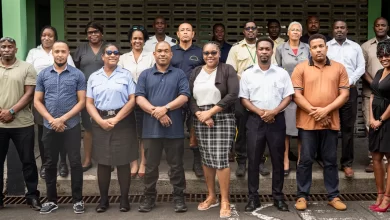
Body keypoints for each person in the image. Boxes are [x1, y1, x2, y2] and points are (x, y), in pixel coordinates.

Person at [292, 34, 349, 211]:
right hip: (308, 123)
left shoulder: (339, 68)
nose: (318, 49)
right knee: (305, 160)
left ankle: (333, 196)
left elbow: (345, 94)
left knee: (330, 160)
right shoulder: (300, 68)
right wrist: (315, 112)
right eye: (314, 47)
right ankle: (302, 196)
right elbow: (296, 95)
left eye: (321, 46)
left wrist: (326, 111)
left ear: (326, 47)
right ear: (310, 50)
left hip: (330, 123)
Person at [240, 38, 293, 212]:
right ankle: (253, 198)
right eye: (261, 49)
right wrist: (260, 112)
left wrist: (273, 112)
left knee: (278, 160)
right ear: (257, 51)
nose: (264, 52)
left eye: (267, 49)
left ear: (272, 51)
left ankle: (278, 197)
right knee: (253, 160)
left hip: (276, 120)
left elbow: (288, 97)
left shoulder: (281, 73)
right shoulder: (248, 74)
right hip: (255, 121)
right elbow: (244, 99)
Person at [136, 41, 190, 213]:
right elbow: (139, 98)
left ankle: (179, 198)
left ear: (171, 54)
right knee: (150, 167)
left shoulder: (179, 74)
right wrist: (157, 112)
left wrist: (165, 108)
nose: (163, 54)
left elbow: (184, 96)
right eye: (159, 51)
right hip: (151, 130)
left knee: (176, 166)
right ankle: (149, 197)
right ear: (154, 54)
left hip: (174, 130)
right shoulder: (145, 74)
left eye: (166, 51)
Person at [34, 41, 85, 214]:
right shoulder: (43, 75)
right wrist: (51, 119)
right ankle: (51, 200)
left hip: (71, 125)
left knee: (75, 162)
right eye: (57, 51)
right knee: (49, 163)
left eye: (63, 51)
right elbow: (37, 101)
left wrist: (62, 119)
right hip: (49, 126)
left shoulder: (77, 75)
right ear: (52, 54)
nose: (60, 54)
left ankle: (78, 200)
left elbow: (82, 102)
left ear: (68, 53)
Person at [190, 42, 238, 218]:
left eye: (213, 52)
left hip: (222, 116)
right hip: (201, 117)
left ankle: (225, 199)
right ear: (202, 55)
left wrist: (210, 112)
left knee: (221, 158)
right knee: (206, 157)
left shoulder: (227, 69)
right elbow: (189, 97)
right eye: (206, 53)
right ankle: (211, 196)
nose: (210, 56)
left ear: (219, 53)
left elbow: (233, 94)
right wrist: (199, 114)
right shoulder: (196, 72)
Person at [87, 44, 138, 213]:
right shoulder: (94, 77)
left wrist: (116, 118)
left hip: (122, 120)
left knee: (123, 161)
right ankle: (103, 199)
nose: (113, 55)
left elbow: (132, 99)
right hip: (100, 120)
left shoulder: (126, 75)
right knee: (103, 161)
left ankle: (124, 199)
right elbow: (89, 103)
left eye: (116, 53)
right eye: (109, 52)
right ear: (103, 56)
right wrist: (100, 121)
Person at [26, 25, 74, 179]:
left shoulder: (61, 50)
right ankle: (46, 164)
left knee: (63, 131)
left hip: (62, 96)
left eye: (50, 35)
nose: (46, 38)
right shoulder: (34, 53)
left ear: (55, 37)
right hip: (41, 97)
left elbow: (71, 70)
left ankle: (62, 164)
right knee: (44, 133)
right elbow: (28, 72)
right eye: (44, 35)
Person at [0, 37, 41, 211]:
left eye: (10, 46)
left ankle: (32, 196)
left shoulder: (26, 67)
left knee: (28, 162)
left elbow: (29, 93)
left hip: (22, 124)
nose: (6, 49)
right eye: (3, 47)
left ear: (16, 49)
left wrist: (11, 111)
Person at [226, 21, 268, 177]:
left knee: (261, 130)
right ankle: (242, 163)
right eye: (247, 28)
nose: (250, 31)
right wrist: (246, 81)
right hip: (242, 94)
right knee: (242, 130)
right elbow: (231, 72)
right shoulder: (236, 48)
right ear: (244, 31)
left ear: (257, 31)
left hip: (261, 95)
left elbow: (273, 67)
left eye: (253, 28)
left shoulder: (265, 47)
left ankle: (260, 162)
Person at [326, 20, 365, 178]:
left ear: (347, 30)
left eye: (342, 27)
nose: (339, 30)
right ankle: (330, 162)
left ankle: (347, 163)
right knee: (330, 128)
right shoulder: (326, 46)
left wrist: (347, 83)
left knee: (348, 129)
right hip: (330, 92)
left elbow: (361, 67)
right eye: (336, 28)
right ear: (333, 30)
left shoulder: (355, 47)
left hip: (350, 91)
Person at [118, 25, 155, 178]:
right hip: (127, 100)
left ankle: (143, 162)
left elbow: (153, 78)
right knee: (129, 132)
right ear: (130, 40)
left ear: (144, 40)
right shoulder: (122, 58)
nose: (137, 41)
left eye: (140, 38)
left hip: (145, 99)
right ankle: (133, 161)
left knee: (143, 133)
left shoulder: (151, 57)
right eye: (135, 38)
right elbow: (119, 78)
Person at [275, 21, 310, 176]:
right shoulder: (280, 48)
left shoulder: (307, 48)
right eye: (292, 30)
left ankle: (302, 160)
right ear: (288, 33)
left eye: (298, 30)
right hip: (287, 92)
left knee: (303, 127)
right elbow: (276, 70)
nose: (295, 32)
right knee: (286, 129)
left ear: (301, 34)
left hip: (305, 92)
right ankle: (285, 160)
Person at [171, 22, 204, 177]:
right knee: (175, 131)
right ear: (177, 34)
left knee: (195, 131)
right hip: (174, 97)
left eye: (188, 30)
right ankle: (176, 164)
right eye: (182, 30)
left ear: (193, 34)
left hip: (194, 97)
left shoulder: (200, 51)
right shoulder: (171, 51)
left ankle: (197, 162)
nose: (185, 32)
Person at [73, 21, 106, 172]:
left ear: (101, 33)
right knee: (88, 128)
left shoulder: (107, 49)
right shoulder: (81, 49)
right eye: (90, 33)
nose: (93, 35)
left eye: (96, 32)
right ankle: (87, 159)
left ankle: (107, 160)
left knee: (106, 127)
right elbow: (75, 71)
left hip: (105, 93)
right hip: (86, 94)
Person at [361, 17, 389, 173]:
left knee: (387, 126)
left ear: (387, 27)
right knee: (370, 125)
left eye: (383, 25)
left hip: (389, 94)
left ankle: (386, 159)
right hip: (370, 93)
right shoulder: (365, 46)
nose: (380, 27)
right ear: (373, 27)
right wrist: (376, 85)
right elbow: (362, 69)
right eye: (377, 25)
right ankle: (373, 159)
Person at [368, 39, 390, 212]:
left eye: (387, 55)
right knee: (376, 157)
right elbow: (373, 96)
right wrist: (371, 118)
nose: (384, 58)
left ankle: (388, 198)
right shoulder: (379, 72)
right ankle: (380, 194)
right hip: (375, 120)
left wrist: (381, 120)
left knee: (389, 159)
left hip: (387, 121)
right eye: (381, 55)